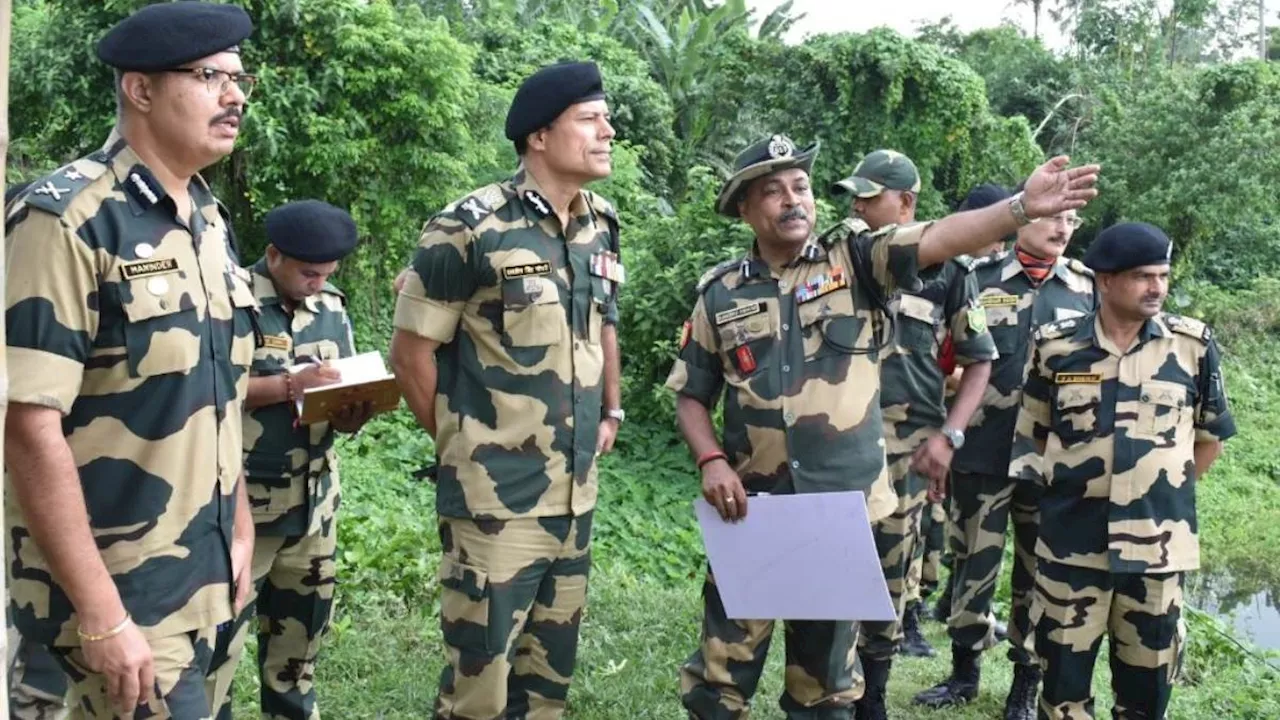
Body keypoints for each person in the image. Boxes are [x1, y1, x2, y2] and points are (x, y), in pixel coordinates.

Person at [667, 133, 1099, 719]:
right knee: (717, 688)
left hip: (833, 511)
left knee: (824, 692)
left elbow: (940, 237)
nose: (793, 200)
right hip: (755, 511)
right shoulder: (720, 294)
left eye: (800, 186)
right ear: (743, 209)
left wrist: (1020, 208)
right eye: (772, 191)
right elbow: (692, 396)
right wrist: (711, 460)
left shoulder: (857, 260)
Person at [3, 3, 259, 717]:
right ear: (140, 90)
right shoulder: (65, 219)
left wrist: (238, 521)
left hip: (204, 581)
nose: (235, 96)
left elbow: (214, 393)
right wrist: (102, 613)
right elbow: (26, 423)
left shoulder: (206, 218)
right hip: (116, 601)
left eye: (240, 80)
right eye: (211, 76)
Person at [388, 60, 624, 719]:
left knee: (546, 685)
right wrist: (464, 444)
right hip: (495, 502)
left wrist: (613, 408)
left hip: (574, 497)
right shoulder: (467, 226)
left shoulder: (601, 223)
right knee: (479, 689)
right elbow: (410, 355)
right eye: (591, 118)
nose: (608, 130)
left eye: (606, 117)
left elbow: (602, 323)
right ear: (539, 136)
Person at [1016, 222, 1234, 719]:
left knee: (1147, 695)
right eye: (1143, 276)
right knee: (1062, 694)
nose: (1157, 287)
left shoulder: (1191, 346)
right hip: (1071, 551)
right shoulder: (1055, 348)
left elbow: (1208, 440)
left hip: (1156, 552)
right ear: (1105, 280)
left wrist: (1154, 500)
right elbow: (1034, 440)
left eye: (1162, 274)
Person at [914, 183, 1097, 720]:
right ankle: (964, 671)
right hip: (983, 454)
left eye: (1072, 222)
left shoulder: (1089, 290)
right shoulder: (979, 282)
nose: (1062, 229)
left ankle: (1025, 681)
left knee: (1038, 575)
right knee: (972, 563)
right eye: (1053, 218)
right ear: (1022, 219)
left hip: (1053, 464)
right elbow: (944, 362)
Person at [829, 150, 998, 717]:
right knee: (830, 576)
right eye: (853, 195)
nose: (856, 205)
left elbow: (979, 362)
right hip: (835, 450)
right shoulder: (839, 261)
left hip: (905, 455)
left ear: (906, 203)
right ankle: (827, 689)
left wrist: (949, 436)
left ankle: (872, 698)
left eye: (869, 196)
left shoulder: (952, 273)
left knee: (888, 577)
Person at [205, 200, 373, 719]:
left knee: (298, 653)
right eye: (307, 273)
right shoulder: (227, 301)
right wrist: (287, 385)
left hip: (314, 507)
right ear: (274, 255)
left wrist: (353, 410)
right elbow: (207, 390)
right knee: (216, 651)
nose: (316, 283)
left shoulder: (331, 307)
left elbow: (340, 384)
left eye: (326, 274)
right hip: (242, 507)